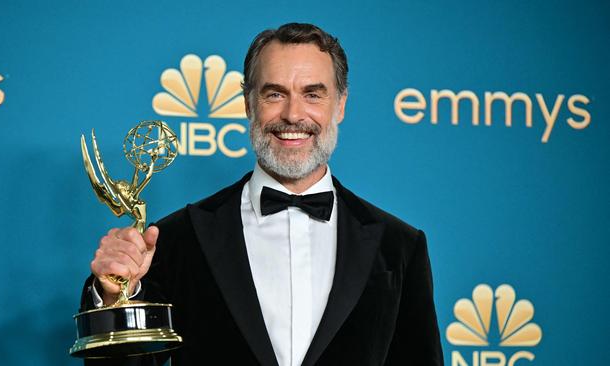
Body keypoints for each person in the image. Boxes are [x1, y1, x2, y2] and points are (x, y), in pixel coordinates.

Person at [81, 23, 443, 366]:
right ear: (248, 103)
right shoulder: (177, 239)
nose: (292, 114)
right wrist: (114, 298)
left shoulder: (399, 246)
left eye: (313, 94)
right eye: (274, 94)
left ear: (341, 104)